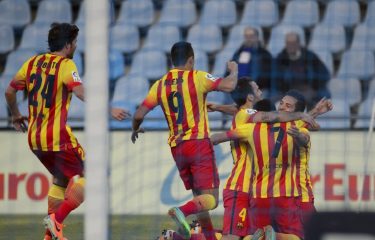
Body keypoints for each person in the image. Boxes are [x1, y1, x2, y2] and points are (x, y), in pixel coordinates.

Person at [4, 22, 129, 240]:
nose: (76, 47)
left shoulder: (31, 63)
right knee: (93, 177)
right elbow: (80, 92)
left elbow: (9, 91)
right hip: (56, 136)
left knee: (60, 179)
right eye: (75, 43)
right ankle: (56, 220)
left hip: (34, 139)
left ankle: (49, 236)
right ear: (69, 45)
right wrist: (109, 109)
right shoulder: (65, 65)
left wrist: (15, 115)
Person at [131, 41, 238, 240]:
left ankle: (206, 235)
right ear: (191, 60)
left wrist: (135, 130)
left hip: (177, 149)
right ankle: (182, 210)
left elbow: (138, 114)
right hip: (198, 143)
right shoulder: (196, 77)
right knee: (212, 200)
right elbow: (229, 85)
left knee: (199, 197)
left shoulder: (160, 84)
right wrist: (233, 70)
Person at [272, 32, 331, 110]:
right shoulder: (280, 59)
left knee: (325, 94)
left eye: (293, 43)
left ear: (299, 43)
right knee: (271, 97)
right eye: (288, 43)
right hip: (287, 91)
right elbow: (275, 79)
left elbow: (325, 74)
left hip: (310, 89)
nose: (290, 46)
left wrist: (313, 88)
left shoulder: (310, 56)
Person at [230, 27, 272, 95]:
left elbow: (267, 76)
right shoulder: (238, 53)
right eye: (246, 36)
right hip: (238, 88)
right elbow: (230, 70)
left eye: (251, 36)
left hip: (258, 89)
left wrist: (253, 86)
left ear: (257, 37)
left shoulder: (264, 54)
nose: (248, 39)